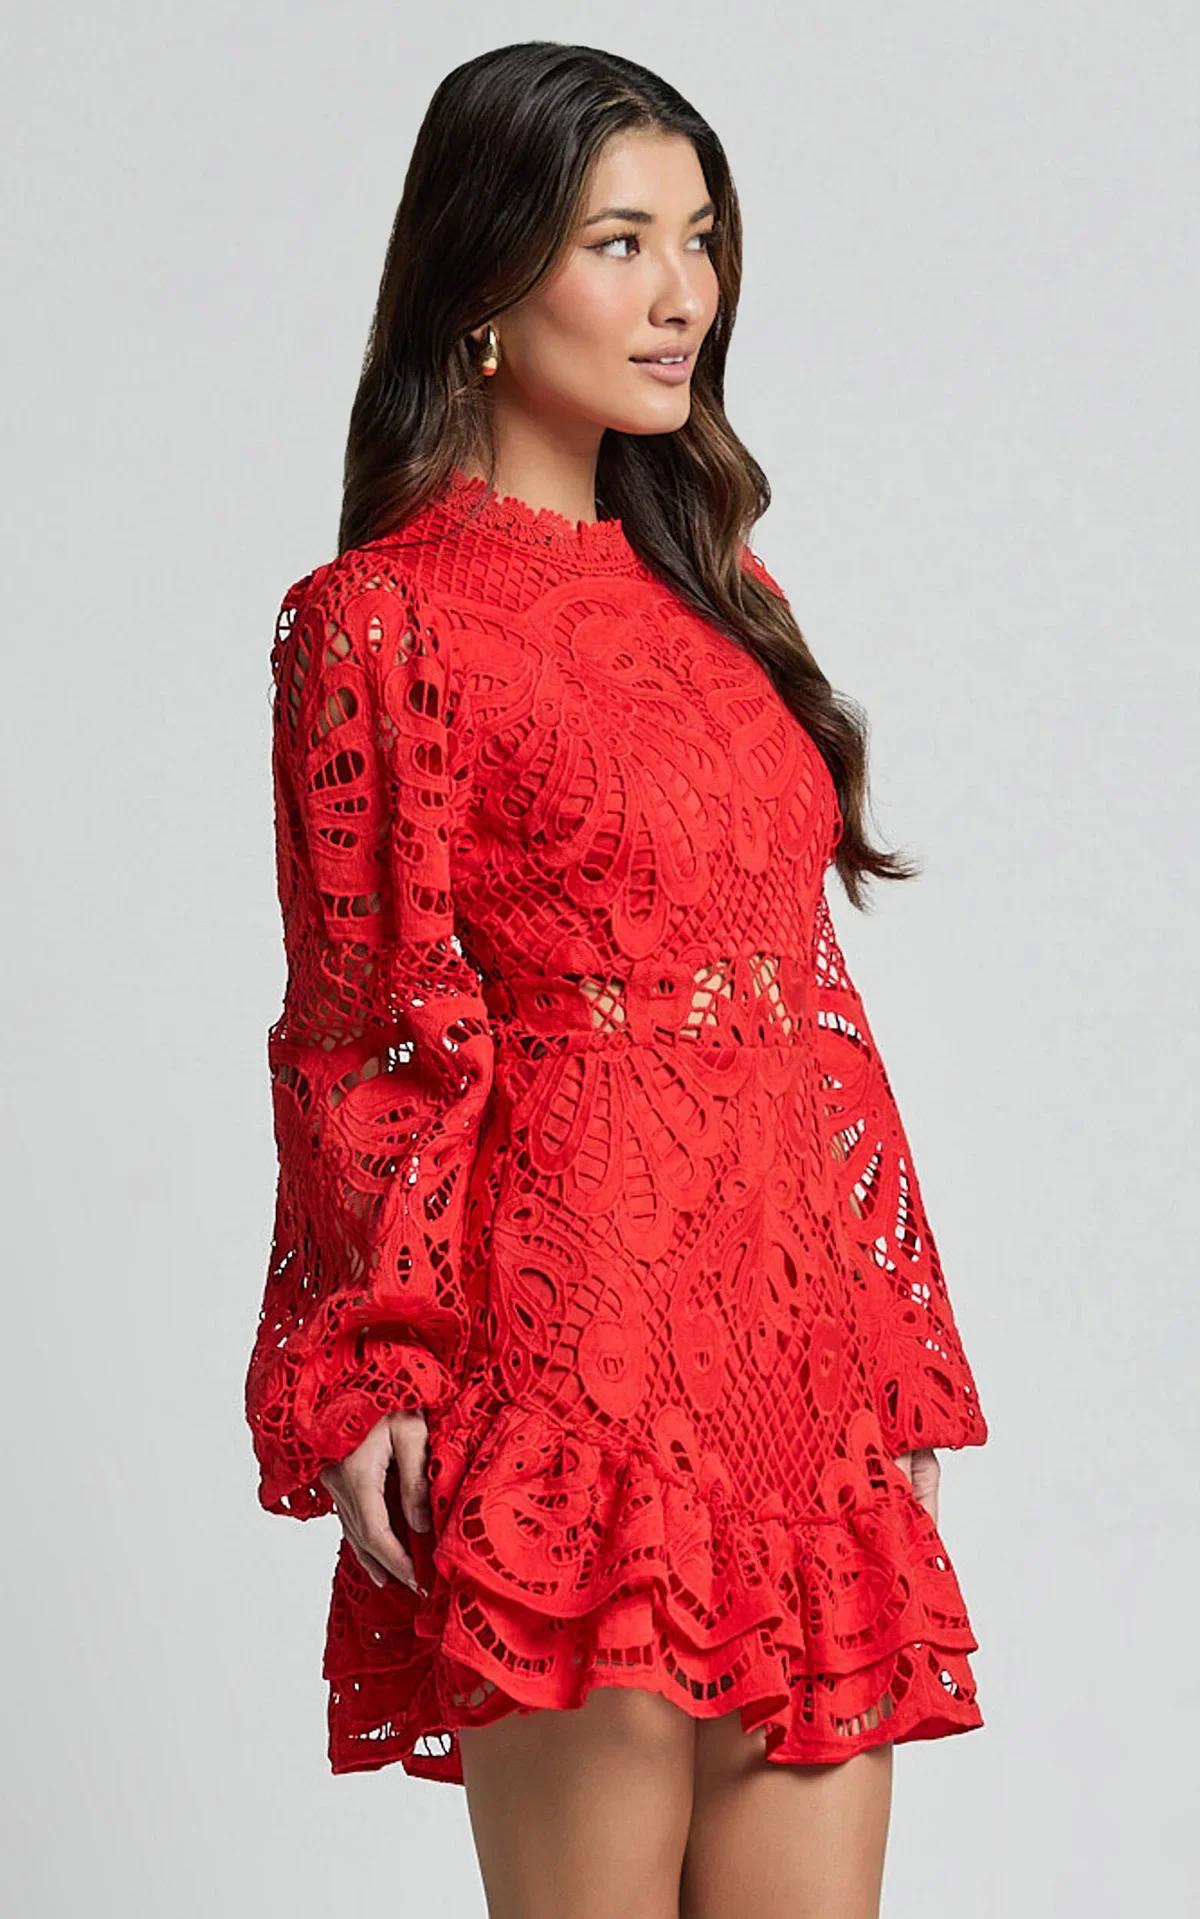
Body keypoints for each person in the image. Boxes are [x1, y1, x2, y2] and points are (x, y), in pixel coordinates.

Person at [244, 40, 990, 1919]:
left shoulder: (725, 589)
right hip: (572, 1362)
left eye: (702, 238)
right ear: (484, 285)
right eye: (621, 241)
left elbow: (808, 1000)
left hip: (796, 1357)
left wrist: (882, 1345)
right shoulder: (380, 622)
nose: (683, 294)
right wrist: (379, 1367)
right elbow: (359, 1028)